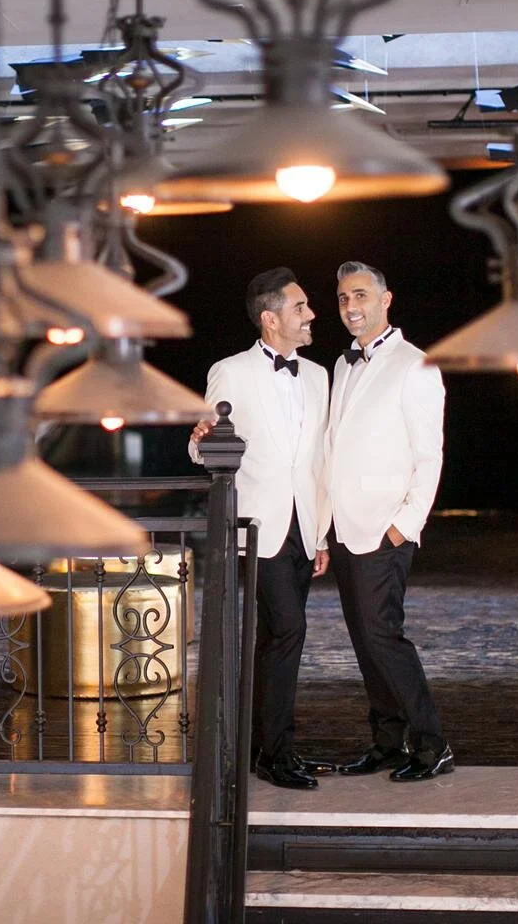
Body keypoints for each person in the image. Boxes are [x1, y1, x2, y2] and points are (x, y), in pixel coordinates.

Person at [190, 267, 332, 790]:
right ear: (271, 319)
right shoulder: (230, 371)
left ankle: (257, 748)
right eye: (300, 308)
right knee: (289, 631)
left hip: (303, 527)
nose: (311, 315)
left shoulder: (317, 375)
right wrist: (201, 438)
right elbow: (203, 447)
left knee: (276, 636)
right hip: (257, 527)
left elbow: (317, 461)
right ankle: (278, 754)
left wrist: (320, 534)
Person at [323, 261, 453, 782]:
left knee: (384, 637)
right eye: (342, 298)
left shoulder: (415, 365)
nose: (350, 306)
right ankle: (388, 741)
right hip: (345, 527)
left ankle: (432, 744)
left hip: (384, 529)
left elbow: (430, 456)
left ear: (385, 299)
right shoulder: (342, 364)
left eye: (360, 295)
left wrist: (404, 525)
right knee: (364, 639)